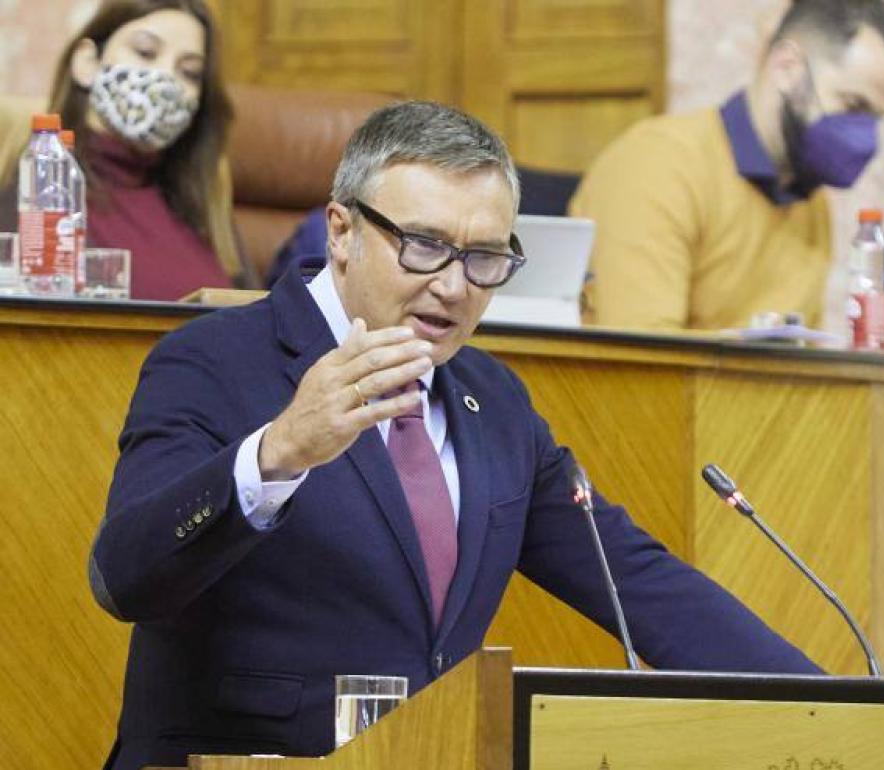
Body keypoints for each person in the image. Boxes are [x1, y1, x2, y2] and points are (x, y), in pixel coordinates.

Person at [89, 101, 820, 770]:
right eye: (424, 245)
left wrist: (833, 706)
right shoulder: (212, 360)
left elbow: (638, 583)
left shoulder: (493, 402)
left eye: (485, 258)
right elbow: (123, 577)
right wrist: (277, 453)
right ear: (341, 232)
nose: (454, 286)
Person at [570, 0, 884, 331]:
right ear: (787, 68)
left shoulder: (811, 203)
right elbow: (644, 358)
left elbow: (800, 359)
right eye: (853, 105)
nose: (864, 136)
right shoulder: (659, 164)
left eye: (875, 118)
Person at [0, 0, 247, 299]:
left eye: (190, 72)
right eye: (145, 52)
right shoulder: (41, 181)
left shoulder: (204, 195)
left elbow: (256, 307)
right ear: (87, 62)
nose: (166, 78)